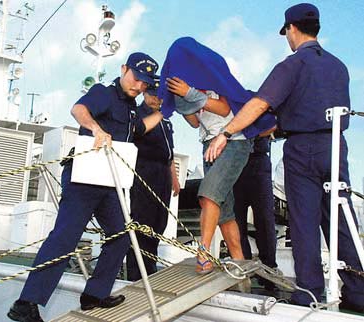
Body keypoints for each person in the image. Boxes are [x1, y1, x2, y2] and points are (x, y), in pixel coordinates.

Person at [205, 3, 364, 312]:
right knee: (341, 217)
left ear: (292, 29)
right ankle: (358, 292)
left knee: (304, 221)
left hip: (302, 150)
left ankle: (309, 294)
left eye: (286, 32)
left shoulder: (291, 66)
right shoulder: (339, 67)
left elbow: (259, 105)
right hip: (335, 146)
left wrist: (225, 134)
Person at [7, 52, 163, 322]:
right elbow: (78, 109)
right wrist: (95, 129)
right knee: (66, 236)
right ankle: (26, 303)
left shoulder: (131, 108)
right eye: (136, 78)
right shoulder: (104, 93)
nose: (139, 86)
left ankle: (94, 294)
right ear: (124, 69)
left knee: (121, 234)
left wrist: (164, 112)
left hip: (109, 181)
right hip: (83, 176)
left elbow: (139, 128)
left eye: (145, 84)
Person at [158, 37, 275, 275]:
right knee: (225, 210)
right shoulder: (190, 87)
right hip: (208, 144)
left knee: (208, 195)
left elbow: (223, 108)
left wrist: (191, 92)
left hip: (233, 142)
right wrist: (182, 100)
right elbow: (193, 122)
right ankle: (239, 264)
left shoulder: (214, 82)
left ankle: (203, 252)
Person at [126, 78, 180, 281]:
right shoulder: (138, 115)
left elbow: (170, 152)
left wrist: (173, 177)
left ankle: (150, 268)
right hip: (144, 170)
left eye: (161, 95)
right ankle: (137, 274)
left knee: (159, 222)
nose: (158, 98)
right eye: (154, 94)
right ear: (145, 93)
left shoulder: (165, 121)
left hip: (162, 174)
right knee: (142, 223)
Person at [233, 136, 278, 290]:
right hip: (233, 160)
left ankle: (269, 269)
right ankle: (243, 268)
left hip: (259, 160)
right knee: (236, 221)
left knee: (265, 219)